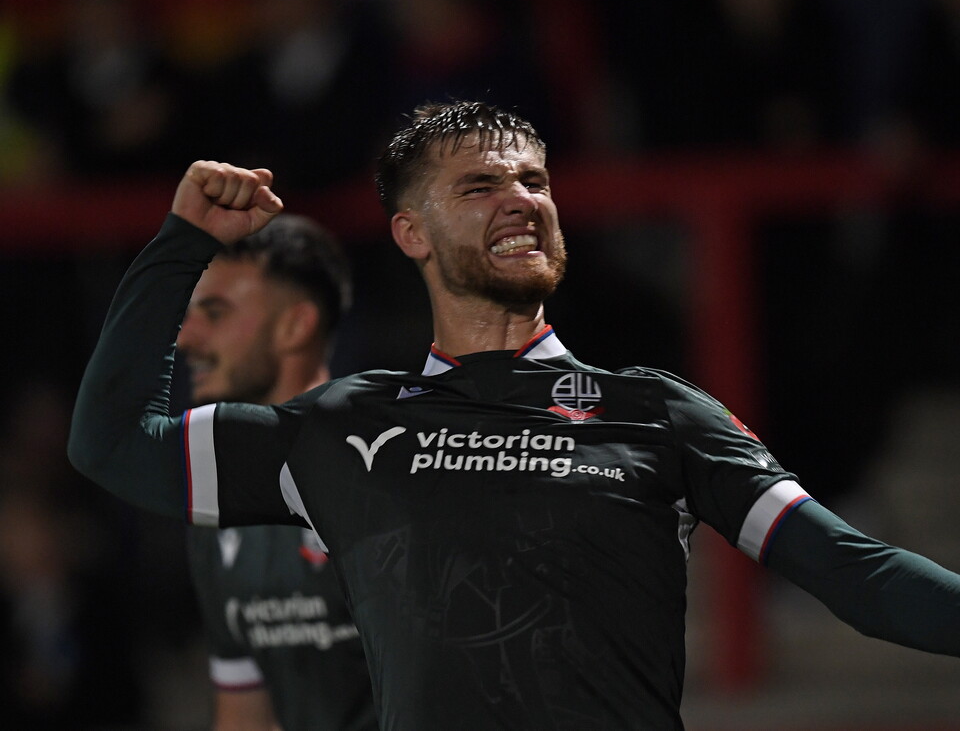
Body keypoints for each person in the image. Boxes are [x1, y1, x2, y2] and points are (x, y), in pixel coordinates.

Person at [68, 101, 960, 730]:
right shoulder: (334, 430)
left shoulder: (659, 412)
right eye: (481, 186)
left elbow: (862, 576)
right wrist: (182, 246)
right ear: (412, 233)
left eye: (534, 180)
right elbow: (111, 445)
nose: (522, 200)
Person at [175, 213, 377, 731]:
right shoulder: (215, 506)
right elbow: (243, 712)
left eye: (214, 313)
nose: (187, 339)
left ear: (294, 325)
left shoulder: (386, 476)